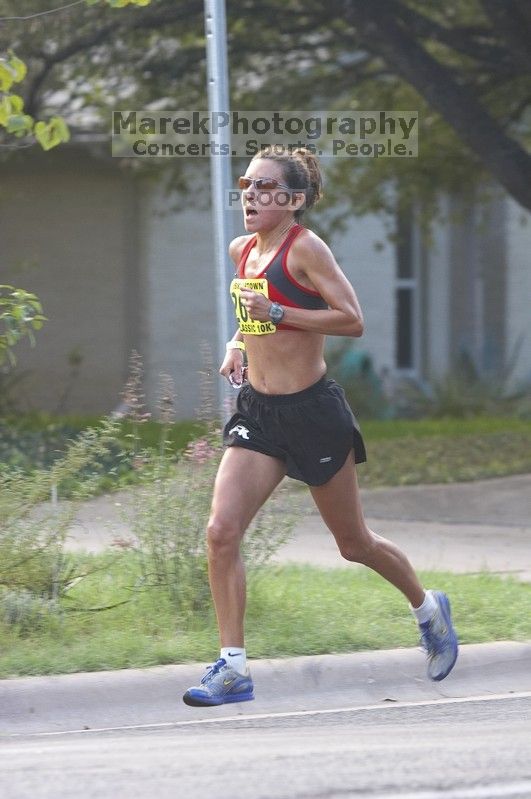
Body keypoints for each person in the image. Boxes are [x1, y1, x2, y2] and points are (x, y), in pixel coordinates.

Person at [182, 146, 458, 707]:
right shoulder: (243, 251)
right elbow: (252, 309)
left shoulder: (306, 249)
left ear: (295, 200)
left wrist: (282, 315)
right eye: (246, 185)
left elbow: (352, 319)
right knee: (220, 531)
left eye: (265, 188)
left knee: (353, 543)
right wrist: (240, 342)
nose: (251, 196)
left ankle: (428, 609)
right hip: (259, 414)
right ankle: (233, 667)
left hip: (313, 413)